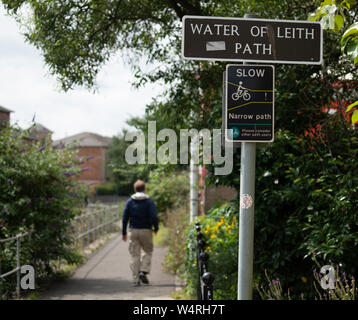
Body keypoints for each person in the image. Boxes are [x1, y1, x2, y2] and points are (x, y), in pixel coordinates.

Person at [122, 180, 159, 286]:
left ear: (134, 189)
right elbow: (154, 216)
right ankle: (143, 270)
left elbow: (125, 218)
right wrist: (156, 228)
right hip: (146, 230)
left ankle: (135, 279)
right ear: (144, 189)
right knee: (148, 251)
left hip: (133, 230)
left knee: (134, 255)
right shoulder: (149, 201)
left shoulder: (129, 201)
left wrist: (124, 233)